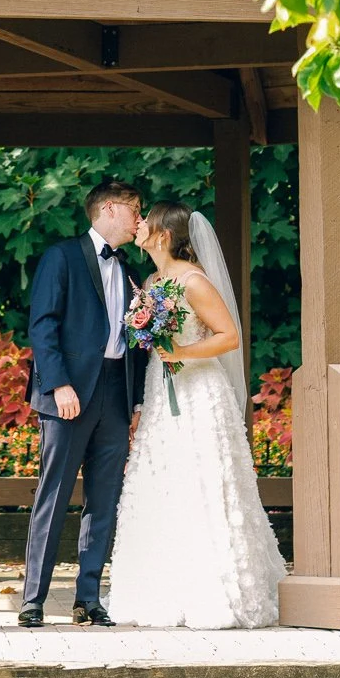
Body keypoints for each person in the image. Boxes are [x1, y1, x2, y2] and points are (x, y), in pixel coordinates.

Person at [107, 200, 287, 629]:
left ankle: (218, 591)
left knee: (205, 481)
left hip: (198, 393)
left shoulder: (193, 280)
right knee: (163, 480)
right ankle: (159, 589)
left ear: (163, 235)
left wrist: (182, 353)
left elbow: (229, 336)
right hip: (161, 391)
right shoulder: (150, 280)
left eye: (145, 221)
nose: (138, 225)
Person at [19, 178, 145, 627]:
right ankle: (33, 599)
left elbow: (137, 341)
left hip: (115, 392)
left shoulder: (131, 267)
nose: (140, 220)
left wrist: (136, 401)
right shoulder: (62, 255)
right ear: (110, 209)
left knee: (104, 499)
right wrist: (57, 385)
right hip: (69, 392)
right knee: (53, 495)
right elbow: (43, 324)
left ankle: (88, 599)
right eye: (135, 210)